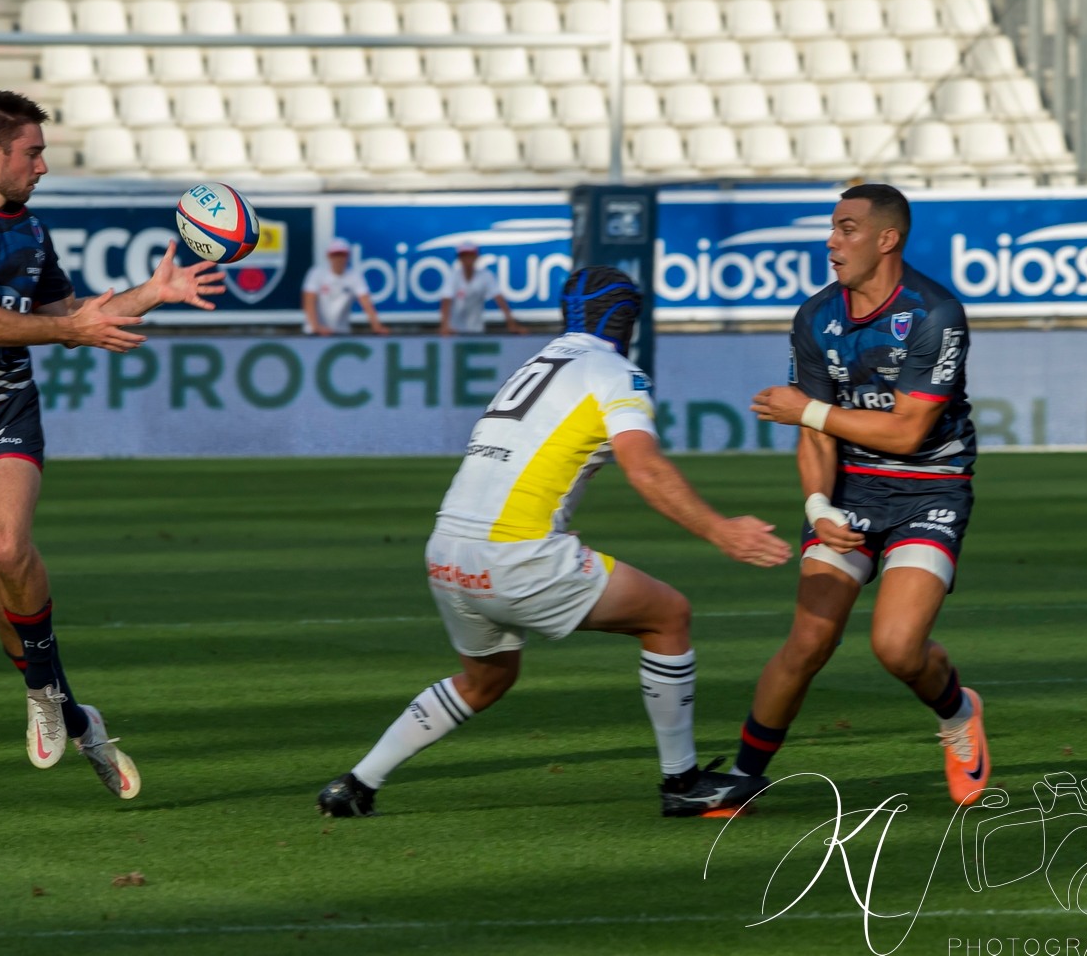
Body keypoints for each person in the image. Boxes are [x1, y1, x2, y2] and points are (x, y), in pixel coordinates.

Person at [316, 265, 792, 819]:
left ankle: (356, 783)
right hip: (516, 555)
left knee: (487, 677)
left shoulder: (536, 364)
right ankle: (681, 783)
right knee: (667, 615)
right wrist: (721, 530)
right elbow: (645, 468)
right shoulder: (615, 371)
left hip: (447, 554)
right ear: (627, 321)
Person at [0, 90, 224, 800]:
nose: (42, 165)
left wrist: (151, 293)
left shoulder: (31, 232)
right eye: (33, 152)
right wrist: (73, 331)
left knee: (8, 545)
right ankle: (73, 712)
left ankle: (43, 693)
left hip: (5, 406)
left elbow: (66, 313)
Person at [739, 182, 990, 807]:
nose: (832, 240)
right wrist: (817, 507)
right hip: (850, 490)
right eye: (832, 227)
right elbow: (815, 433)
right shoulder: (816, 317)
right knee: (809, 641)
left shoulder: (934, 313)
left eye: (847, 228)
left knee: (898, 648)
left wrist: (809, 411)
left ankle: (958, 715)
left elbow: (907, 431)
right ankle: (742, 776)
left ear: (887, 239)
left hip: (929, 488)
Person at [301, 238, 389, 336]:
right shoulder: (316, 274)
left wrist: (376, 327)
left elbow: (366, 302)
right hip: (314, 334)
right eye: (335, 255)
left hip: (340, 332)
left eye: (342, 255)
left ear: (348, 256)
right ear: (328, 256)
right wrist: (316, 327)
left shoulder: (354, 276)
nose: (339, 259)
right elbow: (309, 301)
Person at [438, 242, 526, 336]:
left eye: (470, 255)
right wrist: (445, 326)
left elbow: (500, 300)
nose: (467, 259)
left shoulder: (486, 276)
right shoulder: (453, 277)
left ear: (476, 257)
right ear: (460, 258)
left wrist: (511, 324)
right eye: (464, 256)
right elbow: (446, 302)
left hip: (476, 331)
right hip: (454, 331)